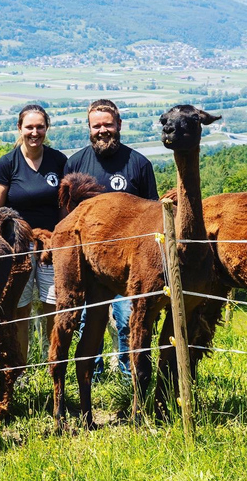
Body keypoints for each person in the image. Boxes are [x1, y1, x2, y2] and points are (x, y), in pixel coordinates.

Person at [66, 98, 158, 379]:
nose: (102, 130)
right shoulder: (75, 164)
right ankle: (91, 377)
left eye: (108, 124)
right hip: (88, 260)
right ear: (89, 128)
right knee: (85, 322)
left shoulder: (139, 164)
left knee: (128, 321)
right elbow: (68, 218)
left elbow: (153, 214)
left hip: (128, 264)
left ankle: (129, 375)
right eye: (96, 126)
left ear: (119, 125)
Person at [0, 104, 68, 362]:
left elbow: (66, 208)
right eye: (29, 127)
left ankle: (54, 366)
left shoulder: (59, 161)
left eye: (40, 127)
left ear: (47, 128)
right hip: (17, 250)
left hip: (51, 247)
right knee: (19, 310)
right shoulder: (7, 164)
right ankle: (19, 368)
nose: (35, 132)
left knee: (53, 308)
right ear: (19, 129)